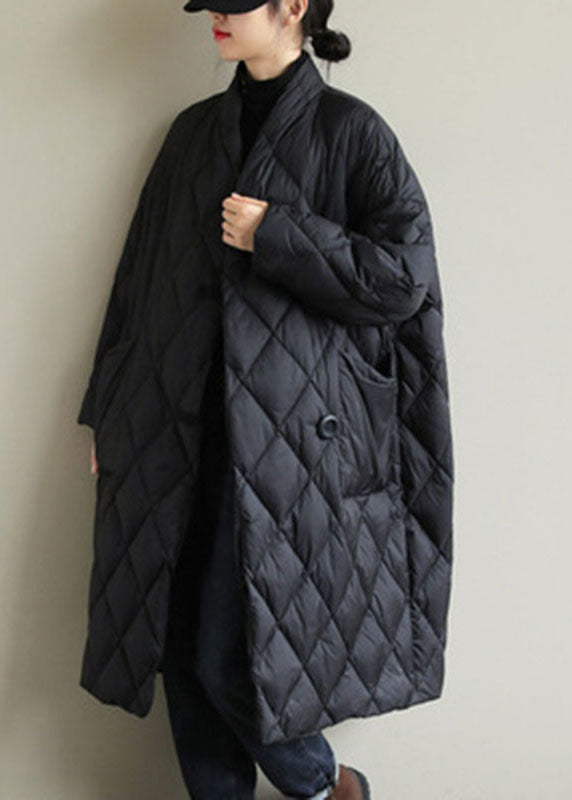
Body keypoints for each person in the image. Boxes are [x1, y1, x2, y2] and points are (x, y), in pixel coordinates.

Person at [80, 0, 453, 796]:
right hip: (179, 428)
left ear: (293, 7)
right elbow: (137, 285)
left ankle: (321, 782)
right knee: (177, 640)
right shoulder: (190, 135)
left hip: (294, 444)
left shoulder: (352, 132)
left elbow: (403, 280)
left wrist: (277, 234)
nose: (215, 16)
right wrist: (106, 414)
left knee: (227, 650)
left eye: (234, 2)